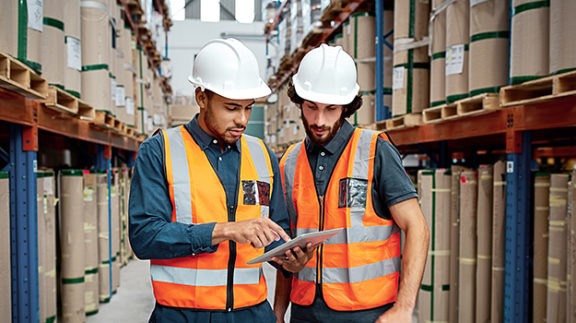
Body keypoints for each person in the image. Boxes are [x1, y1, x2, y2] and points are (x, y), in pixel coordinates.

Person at [128, 38, 310, 323]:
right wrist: (224, 230)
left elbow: (276, 232)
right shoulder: (160, 151)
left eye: (248, 108)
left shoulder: (263, 155)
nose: (242, 120)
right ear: (202, 98)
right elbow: (145, 237)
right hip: (183, 314)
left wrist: (290, 258)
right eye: (231, 108)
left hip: (252, 313)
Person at [273, 44, 430, 323]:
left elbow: (416, 227)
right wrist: (277, 312)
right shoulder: (290, 161)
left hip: (368, 313)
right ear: (299, 102)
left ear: (346, 105)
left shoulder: (375, 151)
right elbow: (286, 247)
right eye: (311, 107)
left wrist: (404, 308)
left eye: (331, 109)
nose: (319, 120)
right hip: (305, 313)